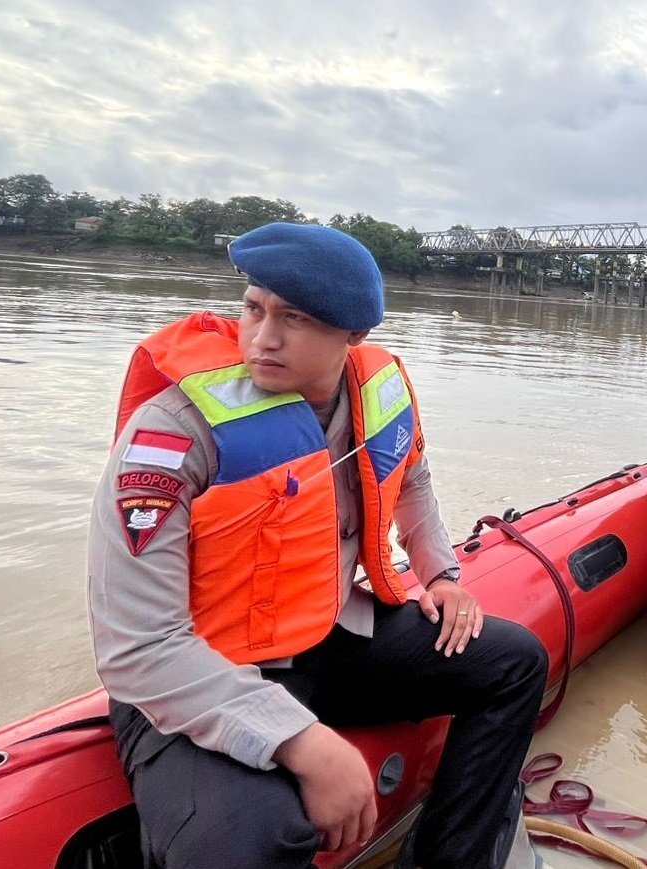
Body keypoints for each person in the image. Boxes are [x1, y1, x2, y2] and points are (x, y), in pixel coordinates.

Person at [88, 222, 549, 869]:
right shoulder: (173, 431)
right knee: (249, 840)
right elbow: (137, 645)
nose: (263, 337)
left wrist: (441, 576)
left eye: (295, 319)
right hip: (203, 667)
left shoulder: (378, 393)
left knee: (514, 662)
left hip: (324, 636)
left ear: (353, 334)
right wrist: (300, 740)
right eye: (254, 309)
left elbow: (412, 480)